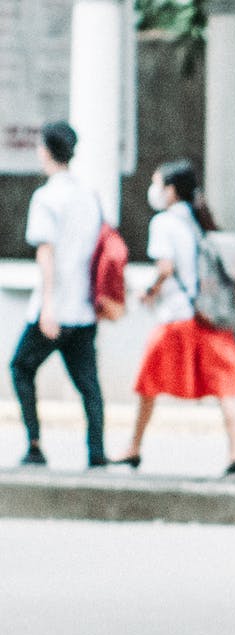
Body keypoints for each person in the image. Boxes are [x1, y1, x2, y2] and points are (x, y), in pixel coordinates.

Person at [117, 159, 235, 477]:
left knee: (148, 385)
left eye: (158, 184)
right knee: (225, 390)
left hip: (177, 317)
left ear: (171, 191)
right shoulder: (200, 222)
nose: (155, 191)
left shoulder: (164, 223)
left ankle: (134, 446)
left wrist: (149, 291)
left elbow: (165, 268)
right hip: (209, 318)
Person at [11, 120, 107, 470]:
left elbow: (46, 254)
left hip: (54, 307)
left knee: (21, 367)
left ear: (47, 151)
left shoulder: (46, 197)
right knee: (89, 385)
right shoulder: (89, 195)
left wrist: (48, 307)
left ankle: (35, 445)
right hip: (84, 307)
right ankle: (96, 452)